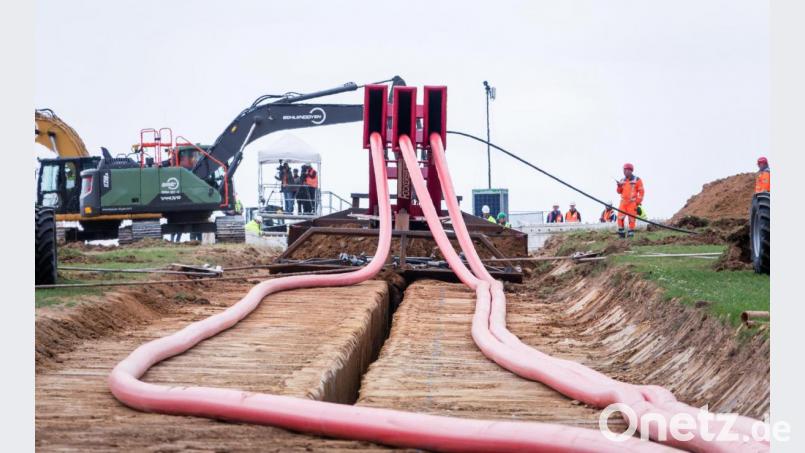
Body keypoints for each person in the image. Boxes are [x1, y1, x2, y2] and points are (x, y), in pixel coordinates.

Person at [616, 163, 644, 238]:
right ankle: (621, 235)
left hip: (632, 203)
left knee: (632, 219)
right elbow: (619, 191)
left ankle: (630, 235)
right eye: (624, 170)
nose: (624, 172)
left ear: (630, 170)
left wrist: (637, 202)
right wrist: (619, 186)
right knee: (620, 218)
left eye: (626, 170)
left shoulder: (637, 180)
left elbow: (641, 192)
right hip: (623, 203)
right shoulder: (622, 180)